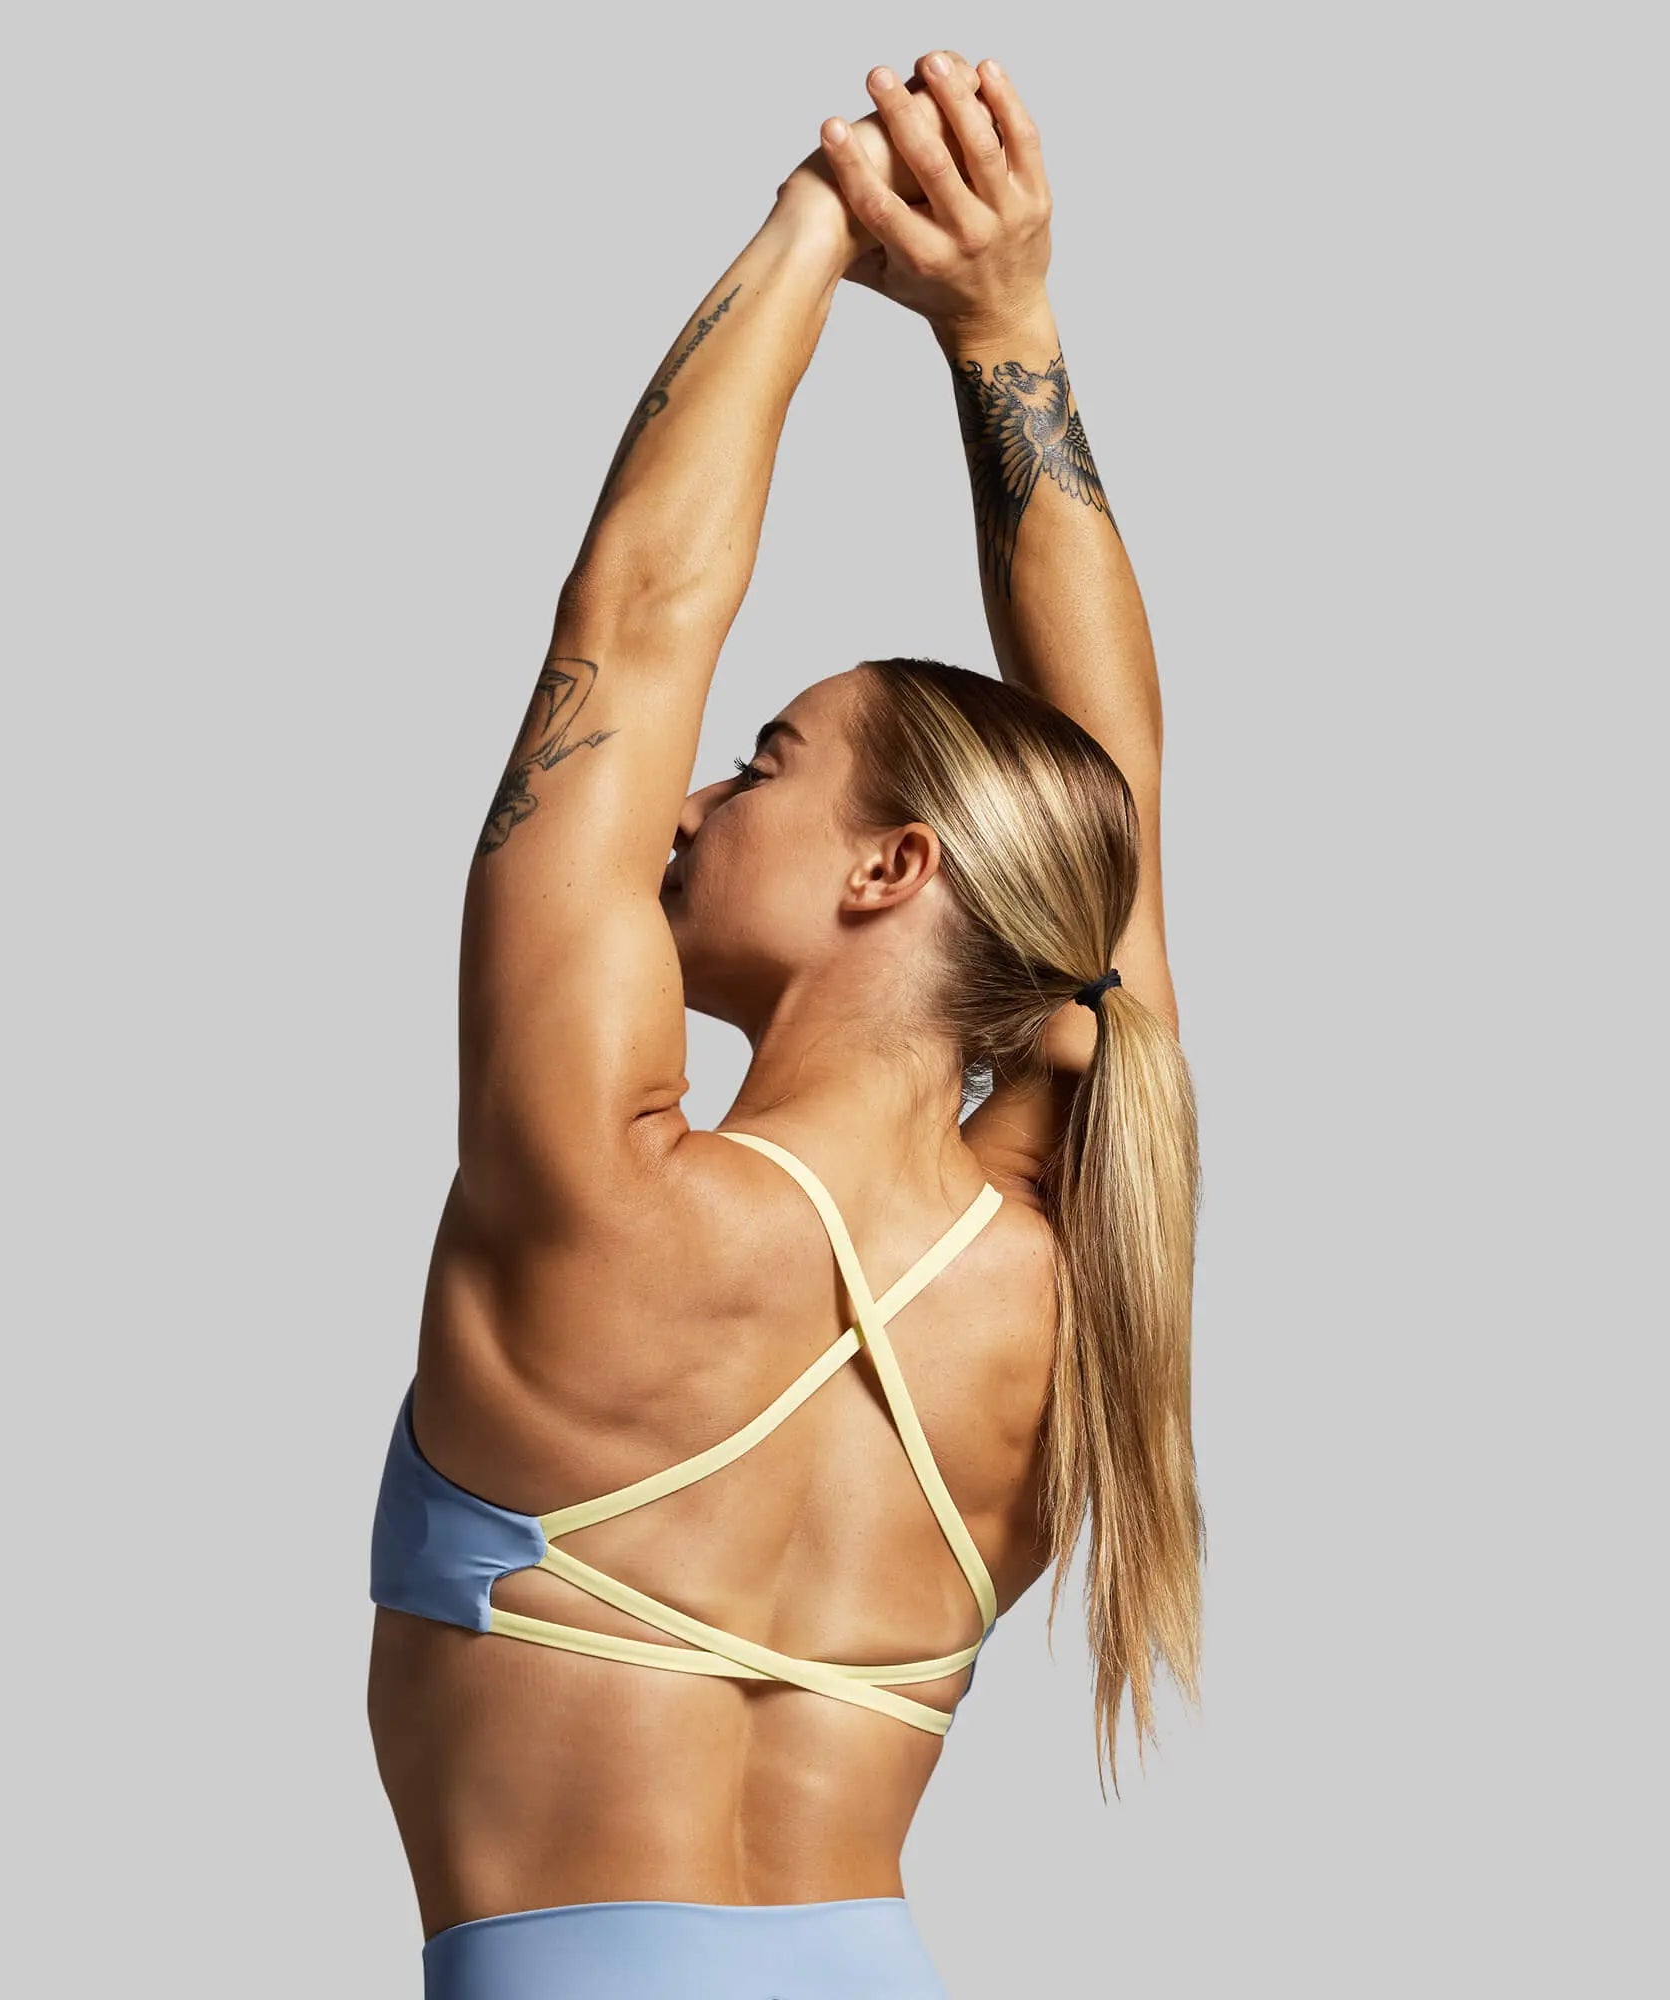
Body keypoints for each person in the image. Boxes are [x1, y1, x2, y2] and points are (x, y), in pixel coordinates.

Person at [367, 49, 1201, 1999]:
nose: (679, 801)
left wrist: (826, 207)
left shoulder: (602, 1198)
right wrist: (1002, 322)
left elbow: (635, 614)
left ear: (891, 869)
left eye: (760, 763)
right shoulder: (1064, 1279)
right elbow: (1121, 804)